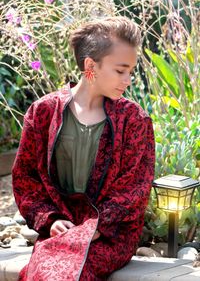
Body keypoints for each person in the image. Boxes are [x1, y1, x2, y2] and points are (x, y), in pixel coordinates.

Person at [12, 16, 155, 281]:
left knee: (73, 273)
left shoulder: (134, 120)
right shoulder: (43, 112)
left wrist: (93, 228)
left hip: (109, 236)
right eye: (120, 70)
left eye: (131, 71)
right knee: (43, 271)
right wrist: (50, 220)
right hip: (59, 230)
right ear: (91, 65)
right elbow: (25, 179)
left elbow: (135, 189)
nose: (128, 79)